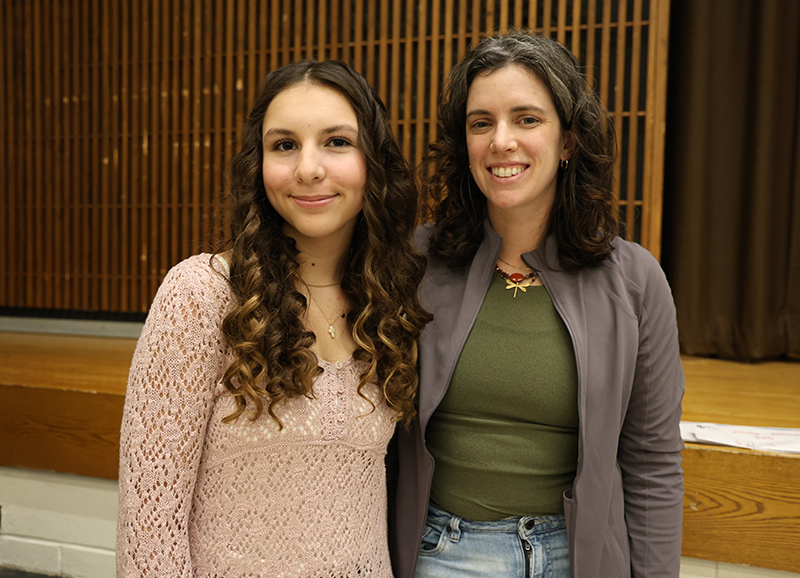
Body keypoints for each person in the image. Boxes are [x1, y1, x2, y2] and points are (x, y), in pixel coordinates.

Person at [117, 60, 431, 577]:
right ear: (257, 164)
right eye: (284, 144)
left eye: (336, 141)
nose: (308, 168)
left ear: (373, 161)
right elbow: (150, 526)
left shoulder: (390, 302)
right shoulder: (204, 295)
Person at [387, 31, 684, 578]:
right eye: (482, 123)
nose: (502, 141)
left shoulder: (636, 280)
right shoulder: (414, 264)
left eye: (527, 119)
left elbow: (652, 463)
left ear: (568, 141)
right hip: (444, 555)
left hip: (581, 557)